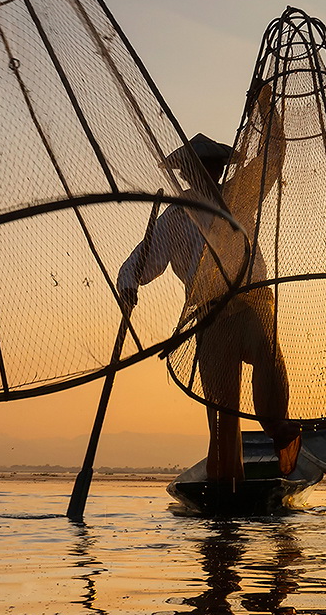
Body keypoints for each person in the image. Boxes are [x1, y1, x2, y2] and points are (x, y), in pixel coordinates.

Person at [117, 108, 301, 483]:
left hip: (252, 303)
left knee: (269, 382)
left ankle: (282, 430)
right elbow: (141, 260)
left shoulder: (239, 196)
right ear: (185, 173)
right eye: (197, 167)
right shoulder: (174, 217)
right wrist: (128, 285)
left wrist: (269, 112)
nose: (206, 173)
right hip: (210, 316)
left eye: (212, 166)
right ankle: (224, 496)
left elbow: (273, 158)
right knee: (221, 418)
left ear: (219, 169)